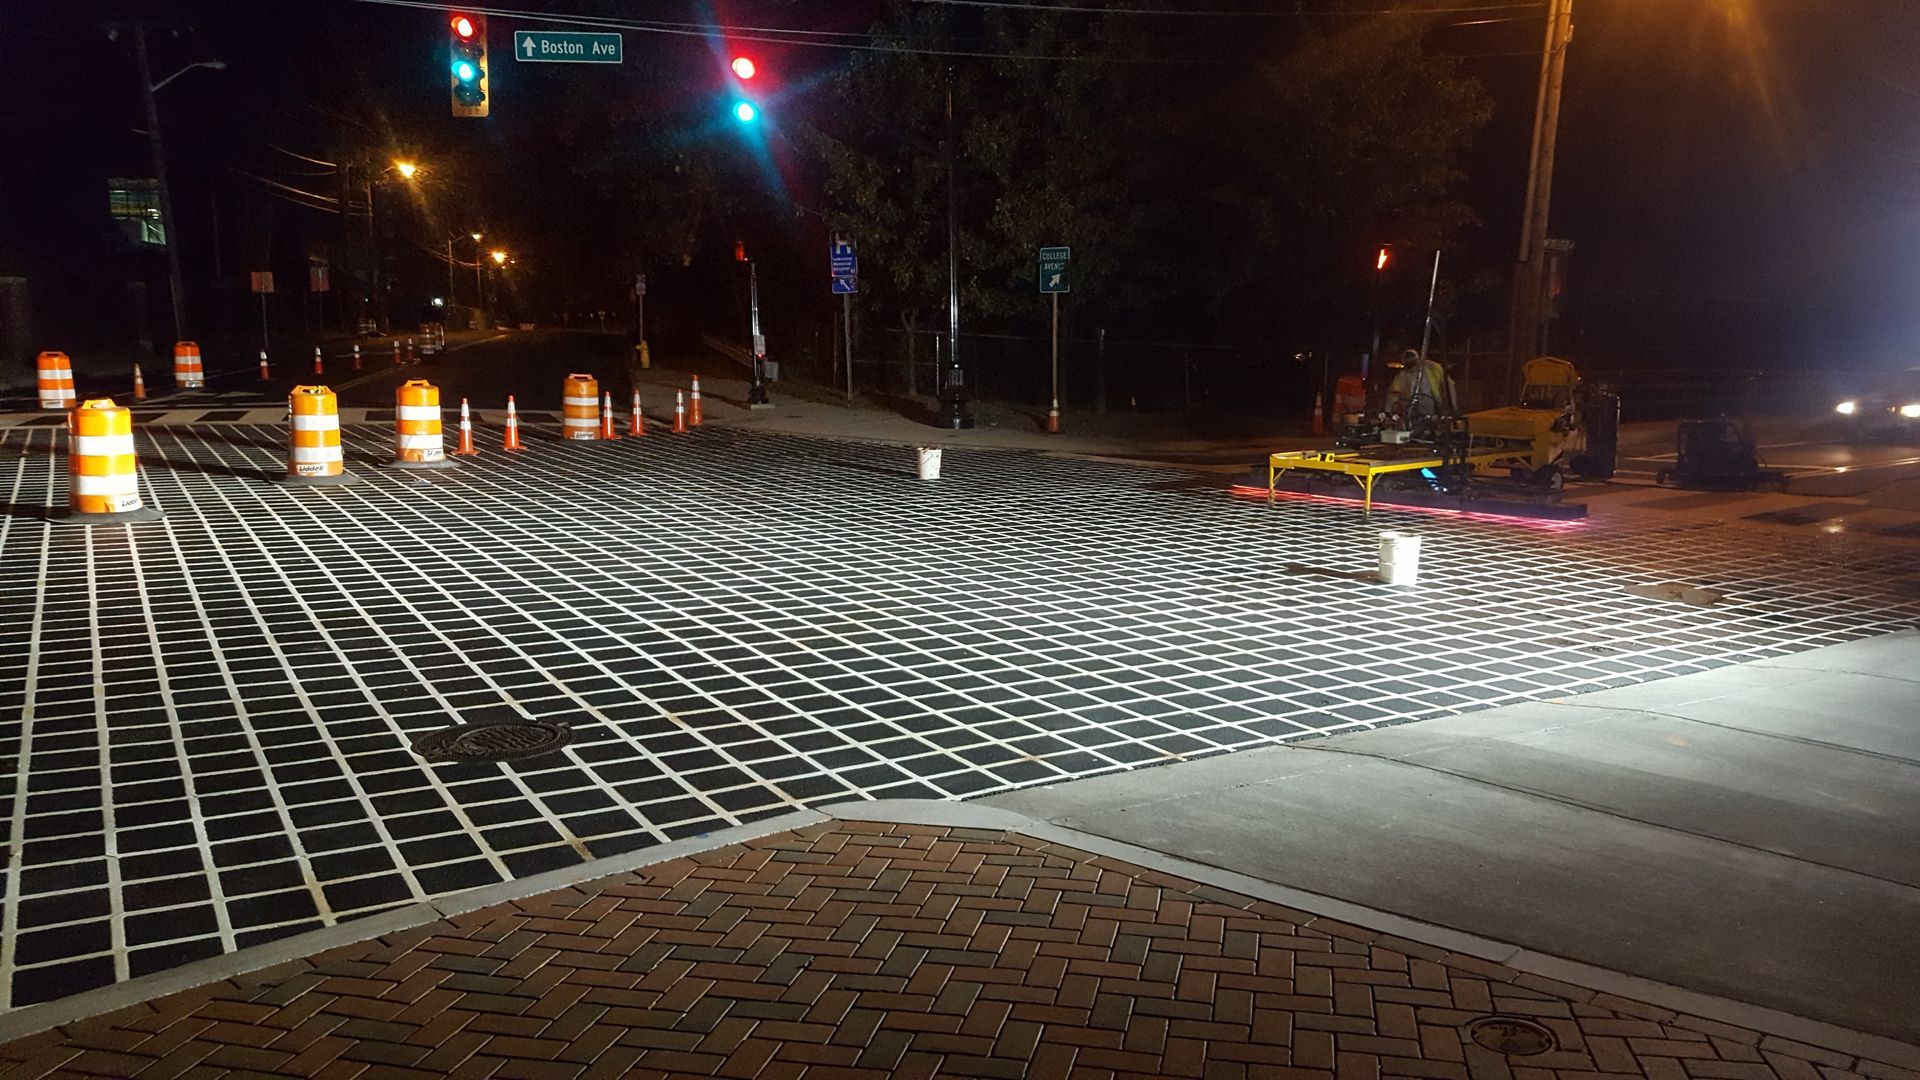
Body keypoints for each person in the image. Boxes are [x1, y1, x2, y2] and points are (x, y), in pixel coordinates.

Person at [1385, 350, 1455, 423]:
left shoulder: (1432, 368)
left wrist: (1452, 407)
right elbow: (1393, 394)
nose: (1411, 368)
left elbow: (1449, 386)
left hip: (1433, 408)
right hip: (1410, 412)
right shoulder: (1402, 375)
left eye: (1412, 364)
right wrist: (1389, 412)